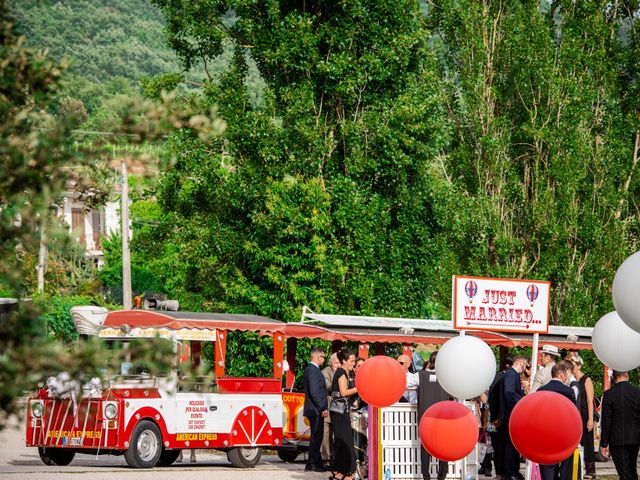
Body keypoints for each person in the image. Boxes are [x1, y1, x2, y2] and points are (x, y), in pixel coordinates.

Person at [538, 362, 580, 480]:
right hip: (564, 434)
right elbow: (573, 414)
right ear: (561, 375)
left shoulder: (541, 390)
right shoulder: (569, 391)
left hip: (545, 433)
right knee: (566, 466)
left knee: (547, 465)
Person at [600, 370, 640, 480]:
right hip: (634, 437)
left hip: (617, 439)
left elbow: (606, 420)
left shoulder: (609, 394)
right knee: (632, 470)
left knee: (624, 472)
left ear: (614, 377)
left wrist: (604, 443)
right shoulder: (637, 392)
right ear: (626, 375)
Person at [418, 351, 450, 480]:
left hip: (425, 418)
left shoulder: (419, 376)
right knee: (443, 447)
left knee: (425, 447)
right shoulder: (448, 377)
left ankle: (426, 476)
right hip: (443, 418)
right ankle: (441, 476)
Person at [330, 348, 358, 480]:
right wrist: (357, 389)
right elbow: (343, 392)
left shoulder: (343, 372)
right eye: (352, 361)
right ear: (344, 361)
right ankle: (344, 471)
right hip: (340, 412)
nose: (353, 363)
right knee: (345, 441)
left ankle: (340, 470)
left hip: (340, 411)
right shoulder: (342, 373)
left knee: (343, 441)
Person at [501, 355, 528, 480]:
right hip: (511, 414)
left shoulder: (511, 374)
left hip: (511, 413)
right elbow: (509, 394)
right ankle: (511, 472)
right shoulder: (512, 375)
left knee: (512, 444)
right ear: (520, 362)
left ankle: (512, 471)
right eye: (525, 364)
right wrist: (521, 402)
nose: (525, 368)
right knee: (511, 445)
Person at [570, 353, 596, 479]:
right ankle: (577, 467)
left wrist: (591, 419)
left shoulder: (586, 380)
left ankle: (591, 471)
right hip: (575, 415)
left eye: (573, 364)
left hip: (585, 415)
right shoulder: (571, 380)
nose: (571, 366)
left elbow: (590, 401)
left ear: (579, 365)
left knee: (588, 443)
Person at [303, 347, 329, 473]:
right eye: (323, 357)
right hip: (315, 410)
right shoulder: (312, 370)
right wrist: (322, 408)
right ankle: (312, 463)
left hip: (314, 409)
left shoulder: (312, 370)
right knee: (316, 437)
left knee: (316, 437)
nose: (324, 360)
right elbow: (314, 392)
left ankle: (314, 462)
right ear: (318, 357)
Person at [488, 356, 513, 480]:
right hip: (496, 419)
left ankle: (501, 472)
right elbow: (492, 397)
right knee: (498, 446)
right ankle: (499, 473)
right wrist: (495, 417)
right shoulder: (500, 377)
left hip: (497, 418)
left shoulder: (501, 376)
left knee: (499, 446)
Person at [321, 352, 340, 467]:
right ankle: (326, 458)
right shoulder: (325, 372)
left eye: (339, 362)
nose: (338, 365)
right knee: (326, 434)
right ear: (331, 362)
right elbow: (328, 387)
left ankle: (334, 457)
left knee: (336, 434)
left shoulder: (340, 372)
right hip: (327, 406)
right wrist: (340, 383)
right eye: (336, 362)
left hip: (338, 408)